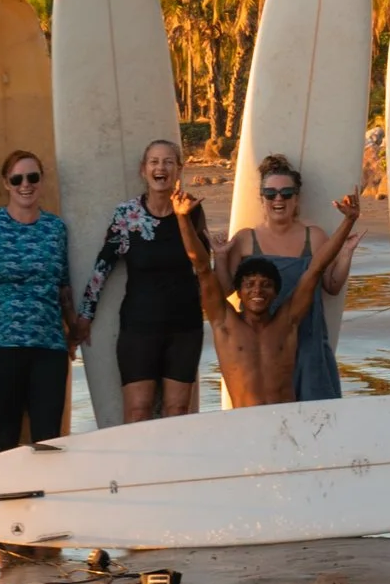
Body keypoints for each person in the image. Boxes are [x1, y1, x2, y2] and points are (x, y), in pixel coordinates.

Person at [0, 147, 87, 452]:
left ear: (41, 181)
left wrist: (73, 330)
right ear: (6, 183)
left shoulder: (55, 229)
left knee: (50, 440)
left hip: (48, 347)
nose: (25, 184)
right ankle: (2, 498)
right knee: (5, 436)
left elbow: (63, 285)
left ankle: (49, 498)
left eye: (32, 177)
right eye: (17, 178)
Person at [178, 185, 362, 404]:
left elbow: (316, 268)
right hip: (247, 424)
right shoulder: (225, 323)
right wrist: (183, 218)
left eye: (266, 285)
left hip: (287, 420)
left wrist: (349, 220)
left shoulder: (287, 323)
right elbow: (201, 268)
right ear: (239, 290)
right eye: (250, 284)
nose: (257, 290)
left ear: (276, 292)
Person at [81, 139, 211, 422]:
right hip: (139, 326)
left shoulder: (192, 210)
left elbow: (202, 265)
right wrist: (84, 316)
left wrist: (183, 218)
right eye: (154, 162)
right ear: (144, 170)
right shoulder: (128, 215)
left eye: (167, 162)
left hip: (184, 327)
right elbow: (103, 265)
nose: (160, 167)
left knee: (177, 412)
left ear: (178, 170)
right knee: (138, 409)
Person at [221, 153, 360, 403]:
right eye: (270, 193)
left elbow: (332, 286)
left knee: (317, 424)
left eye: (286, 193)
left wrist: (346, 254)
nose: (278, 199)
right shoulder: (245, 240)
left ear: (296, 199)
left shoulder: (314, 237)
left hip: (309, 345)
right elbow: (224, 291)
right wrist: (219, 258)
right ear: (261, 198)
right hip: (263, 351)